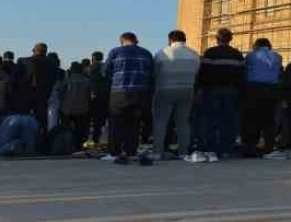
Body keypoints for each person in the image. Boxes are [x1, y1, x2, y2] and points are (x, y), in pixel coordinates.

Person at [193, 28, 245, 163]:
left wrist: (199, 89)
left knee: (210, 119)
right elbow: (242, 76)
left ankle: (210, 148)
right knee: (228, 120)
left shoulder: (210, 53)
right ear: (230, 39)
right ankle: (226, 149)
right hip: (231, 91)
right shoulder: (237, 54)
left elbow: (202, 73)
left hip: (212, 90)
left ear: (217, 39)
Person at [104, 32, 154, 164]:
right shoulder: (146, 53)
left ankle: (114, 152)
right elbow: (151, 73)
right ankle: (131, 151)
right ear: (136, 40)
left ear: (122, 41)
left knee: (116, 123)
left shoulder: (115, 52)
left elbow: (106, 71)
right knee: (134, 124)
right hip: (140, 92)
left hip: (119, 92)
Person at [151, 30, 200, 161]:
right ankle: (183, 152)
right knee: (183, 122)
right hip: (187, 90)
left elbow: (154, 73)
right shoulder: (194, 54)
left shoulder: (162, 53)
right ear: (185, 40)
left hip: (165, 89)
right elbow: (196, 73)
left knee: (160, 122)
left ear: (170, 40)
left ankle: (157, 152)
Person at [243, 38, 283, 158]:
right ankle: (268, 147)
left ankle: (251, 147)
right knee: (269, 119)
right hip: (272, 90)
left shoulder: (251, 56)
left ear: (256, 45)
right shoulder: (278, 56)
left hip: (254, 89)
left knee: (252, 119)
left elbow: (246, 71)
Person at [12, 43, 58, 138]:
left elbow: (14, 79)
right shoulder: (52, 63)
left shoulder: (22, 61)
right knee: (42, 118)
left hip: (24, 94)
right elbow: (54, 79)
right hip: (42, 94)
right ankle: (42, 139)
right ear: (46, 52)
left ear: (33, 50)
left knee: (24, 117)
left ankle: (23, 137)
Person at [58, 62, 92, 151]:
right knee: (81, 129)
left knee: (65, 129)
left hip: (66, 108)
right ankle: (79, 147)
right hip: (82, 108)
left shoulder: (66, 80)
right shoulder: (87, 81)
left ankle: (66, 146)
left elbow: (60, 93)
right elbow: (89, 95)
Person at [88, 51, 110, 145]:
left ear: (93, 58)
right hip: (104, 95)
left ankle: (93, 139)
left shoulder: (89, 68)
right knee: (101, 119)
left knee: (93, 118)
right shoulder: (105, 67)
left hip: (92, 95)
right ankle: (99, 138)